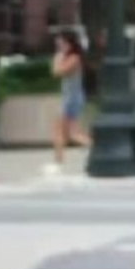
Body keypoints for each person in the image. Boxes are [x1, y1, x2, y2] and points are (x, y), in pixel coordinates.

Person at [49, 30, 93, 170]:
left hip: (72, 99)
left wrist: (58, 58)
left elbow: (57, 72)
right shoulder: (71, 57)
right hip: (70, 97)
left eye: (61, 43)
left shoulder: (74, 58)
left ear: (69, 43)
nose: (59, 45)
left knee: (66, 132)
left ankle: (58, 163)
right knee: (69, 133)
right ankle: (58, 161)